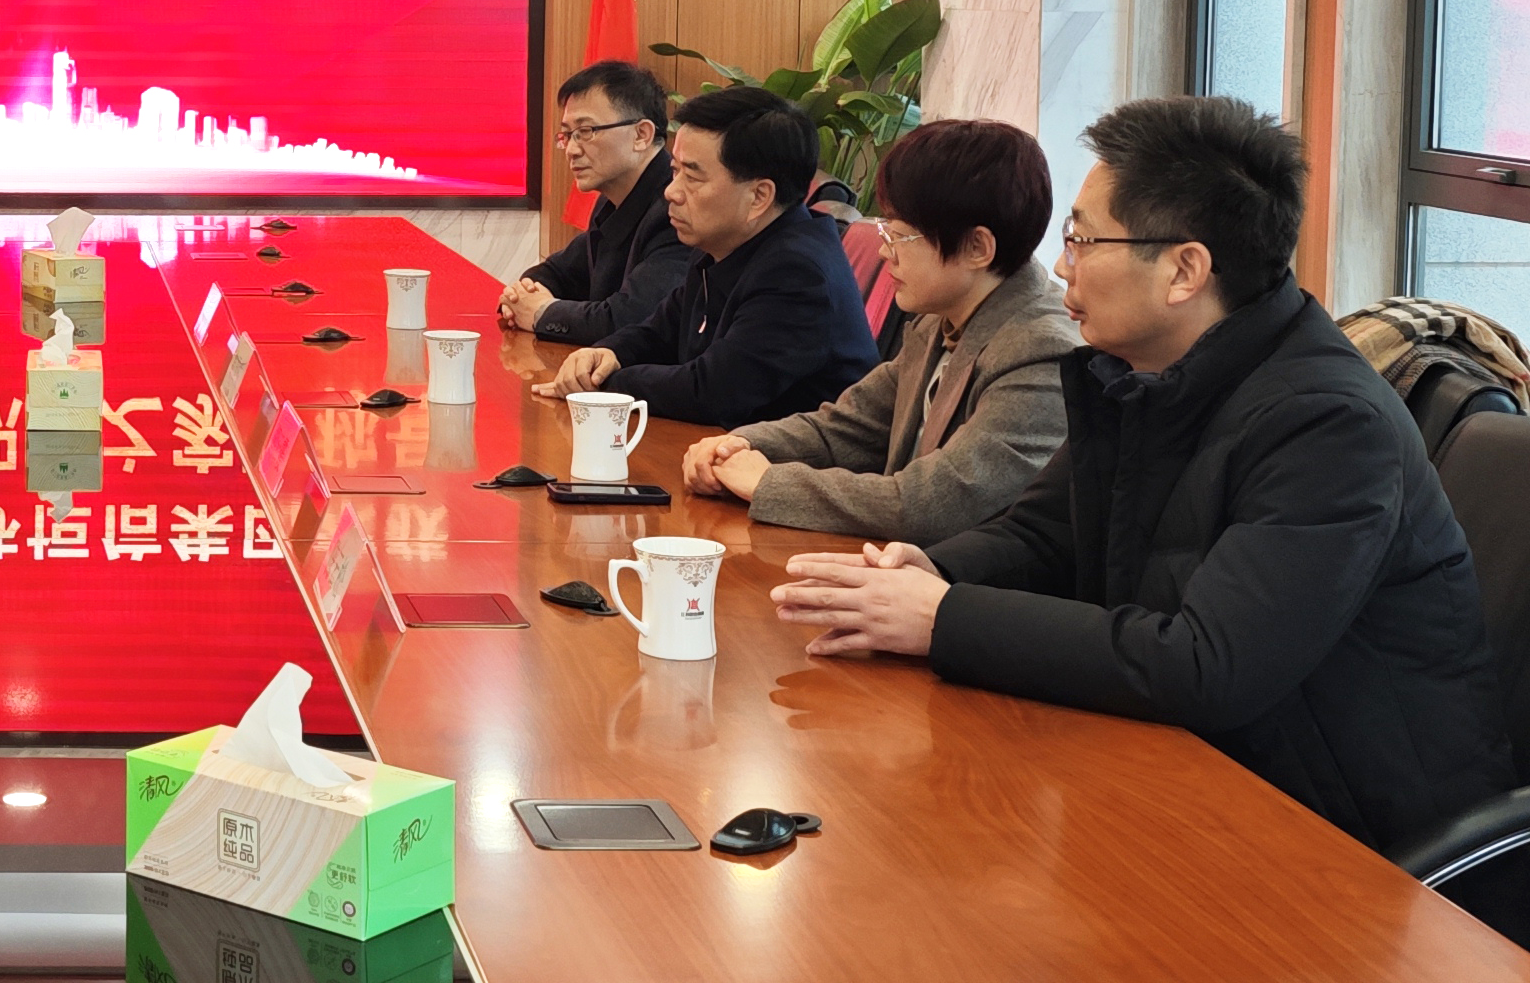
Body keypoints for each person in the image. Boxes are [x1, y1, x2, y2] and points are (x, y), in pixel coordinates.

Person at [772, 97, 1511, 853]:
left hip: (1349, 834)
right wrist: (931, 570)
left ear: (1184, 270)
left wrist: (943, 618)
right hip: (1188, 779)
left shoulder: (1328, 424)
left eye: (1083, 240)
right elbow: (1044, 533)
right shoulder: (1144, 369)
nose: (1063, 266)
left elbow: (1206, 665)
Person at [682, 118, 1078, 543]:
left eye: (901, 236)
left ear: (977, 248)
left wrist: (766, 483)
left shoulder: (1042, 351)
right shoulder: (940, 317)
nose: (886, 251)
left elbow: (931, 505)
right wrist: (738, 445)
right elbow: (845, 429)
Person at [539, 85, 877, 428]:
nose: (671, 192)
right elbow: (659, 331)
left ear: (759, 196)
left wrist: (604, 385)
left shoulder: (798, 274)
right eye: (675, 171)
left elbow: (712, 392)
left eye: (692, 177)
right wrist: (607, 353)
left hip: (785, 458)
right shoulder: (723, 243)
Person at [497, 60, 694, 344]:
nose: (572, 150)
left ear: (641, 135)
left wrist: (540, 313)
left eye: (586, 131)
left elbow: (630, 320)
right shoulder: (610, 201)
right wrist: (522, 297)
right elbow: (557, 273)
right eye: (567, 135)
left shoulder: (677, 210)